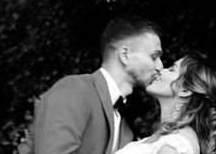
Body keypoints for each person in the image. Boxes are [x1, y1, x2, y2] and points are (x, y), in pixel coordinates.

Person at [31, 16, 164, 154]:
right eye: (154, 57)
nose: (160, 66)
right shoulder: (74, 90)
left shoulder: (125, 129)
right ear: (125, 56)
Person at [116, 53, 216, 154]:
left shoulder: (175, 145)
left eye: (171, 69)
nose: (160, 70)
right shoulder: (169, 138)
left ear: (185, 90)